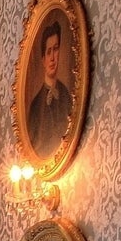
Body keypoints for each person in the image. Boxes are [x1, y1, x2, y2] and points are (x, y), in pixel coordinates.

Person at [24, 19, 73, 157]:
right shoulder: (35, 106)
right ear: (43, 59)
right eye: (49, 51)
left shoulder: (67, 97)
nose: (52, 58)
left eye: (56, 49)